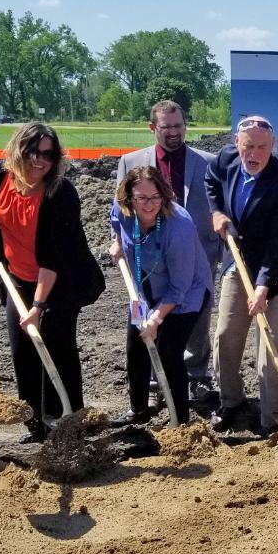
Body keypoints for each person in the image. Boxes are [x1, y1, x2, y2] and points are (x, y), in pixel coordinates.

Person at [0, 124, 105, 441]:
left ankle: (70, 421)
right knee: (23, 351)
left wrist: (38, 306)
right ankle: (35, 425)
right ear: (18, 150)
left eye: (48, 154)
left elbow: (55, 258)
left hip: (61, 281)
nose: (40, 161)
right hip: (17, 276)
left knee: (58, 347)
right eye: (33, 152)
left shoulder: (60, 192)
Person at [117, 100, 220, 407]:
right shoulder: (131, 162)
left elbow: (218, 207)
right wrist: (115, 240)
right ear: (153, 128)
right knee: (141, 320)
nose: (174, 132)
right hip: (145, 261)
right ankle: (150, 385)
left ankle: (196, 376)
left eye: (179, 126)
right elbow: (119, 210)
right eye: (167, 127)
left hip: (195, 255)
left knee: (193, 320)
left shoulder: (208, 162)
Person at [205, 116, 278, 434]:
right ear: (237, 143)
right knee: (226, 335)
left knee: (271, 345)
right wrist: (217, 211)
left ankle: (273, 417)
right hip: (239, 262)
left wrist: (262, 287)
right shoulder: (225, 159)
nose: (254, 153)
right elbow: (212, 179)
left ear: (272, 146)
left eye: (262, 147)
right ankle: (231, 402)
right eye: (248, 146)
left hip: (277, 274)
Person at [108, 166, 213, 427]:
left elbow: (180, 286)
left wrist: (155, 320)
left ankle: (181, 422)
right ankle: (139, 409)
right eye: (141, 198)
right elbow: (115, 225)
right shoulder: (122, 210)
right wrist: (117, 242)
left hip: (187, 294)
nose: (149, 204)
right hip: (142, 290)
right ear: (129, 198)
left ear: (164, 196)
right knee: (136, 348)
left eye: (155, 197)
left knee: (168, 352)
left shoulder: (179, 226)